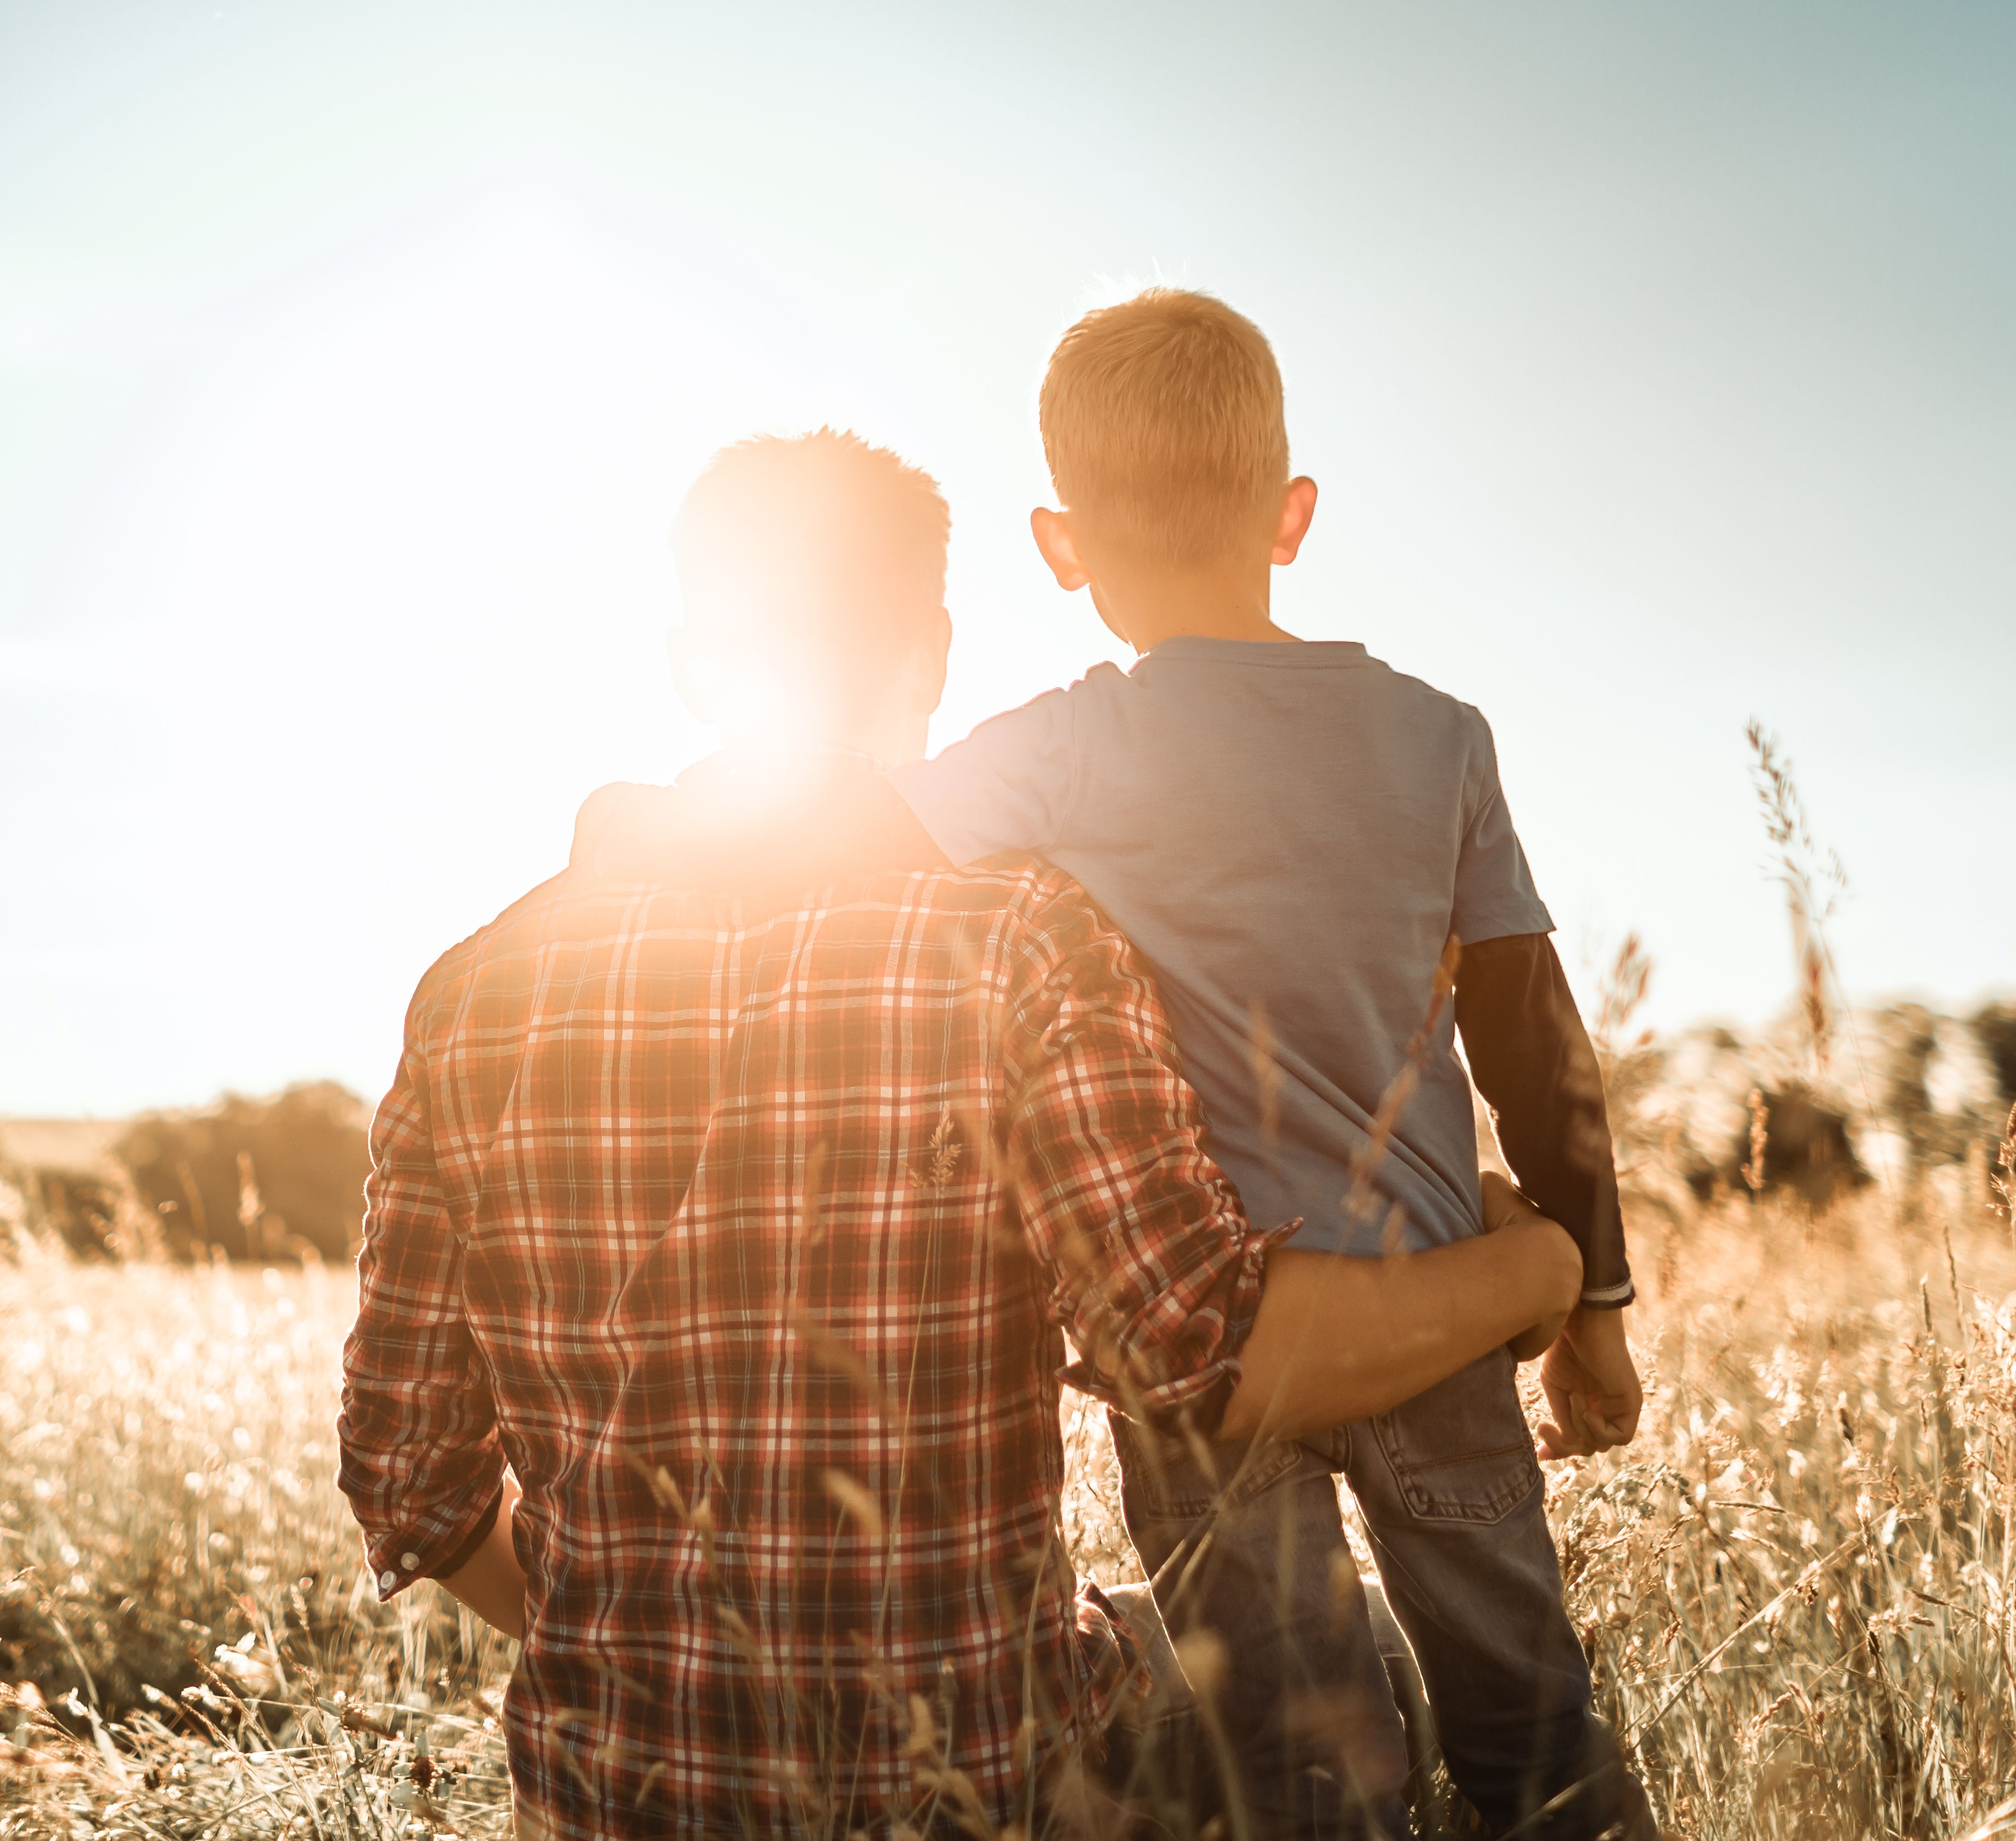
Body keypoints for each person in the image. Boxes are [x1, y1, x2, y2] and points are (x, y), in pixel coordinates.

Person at [335, 427, 1584, 1840]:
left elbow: (408, 1476)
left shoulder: (469, 994)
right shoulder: (1018, 945)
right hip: (968, 1791)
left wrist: (656, 1644)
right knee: (1337, 1669)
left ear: (691, 663)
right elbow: (1207, 1356)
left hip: (608, 1801)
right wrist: (1533, 1270)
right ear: (931, 652)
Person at [888, 292, 1657, 1841]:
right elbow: (1532, 1042)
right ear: (1289, 515)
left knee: (1296, 1766)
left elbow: (848, 869)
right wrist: (1593, 1311)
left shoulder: (1051, 753)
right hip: (1442, 1304)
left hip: (1202, 1346)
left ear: (1059, 545)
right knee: (1532, 1721)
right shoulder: (1438, 739)